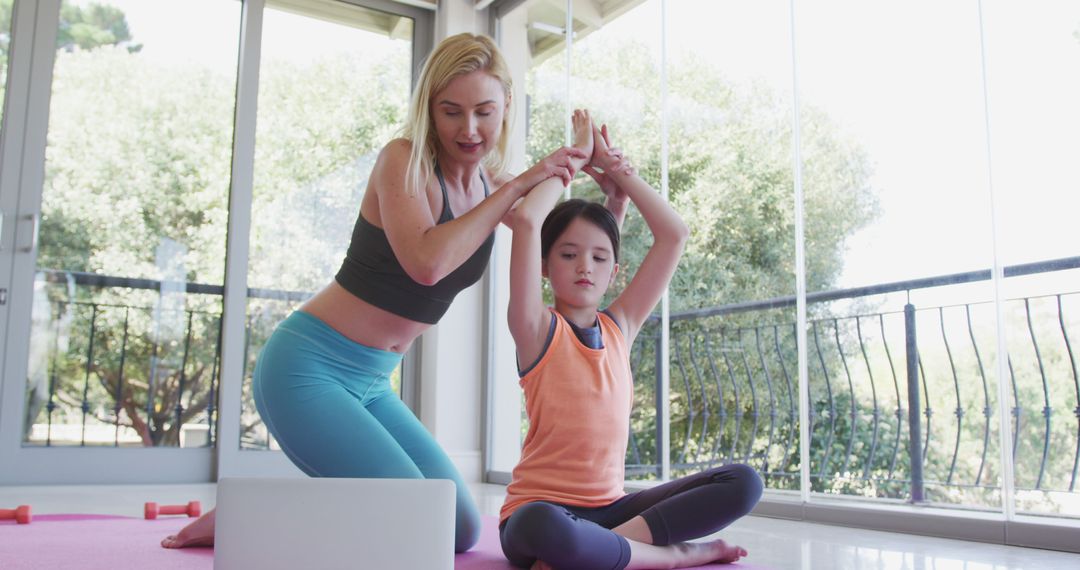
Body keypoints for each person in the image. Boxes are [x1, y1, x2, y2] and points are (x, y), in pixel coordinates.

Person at [162, 32, 604, 551]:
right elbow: (427, 263)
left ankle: (265, 509)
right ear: (429, 110)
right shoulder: (405, 161)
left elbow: (550, 229)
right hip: (307, 369)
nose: (469, 129)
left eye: (485, 111)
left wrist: (584, 164)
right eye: (451, 111)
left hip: (372, 384)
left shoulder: (488, 184)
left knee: (459, 528)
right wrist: (517, 183)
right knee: (412, 518)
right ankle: (248, 513)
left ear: (506, 107)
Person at [498, 110, 763, 569]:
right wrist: (578, 157)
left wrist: (621, 174)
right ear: (544, 266)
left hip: (612, 510)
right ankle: (671, 557)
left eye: (600, 257)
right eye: (568, 254)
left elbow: (674, 234)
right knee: (543, 524)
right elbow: (526, 222)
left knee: (744, 482)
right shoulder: (536, 329)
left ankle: (607, 550)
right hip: (539, 512)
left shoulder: (621, 326)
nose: (585, 266)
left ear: (613, 272)